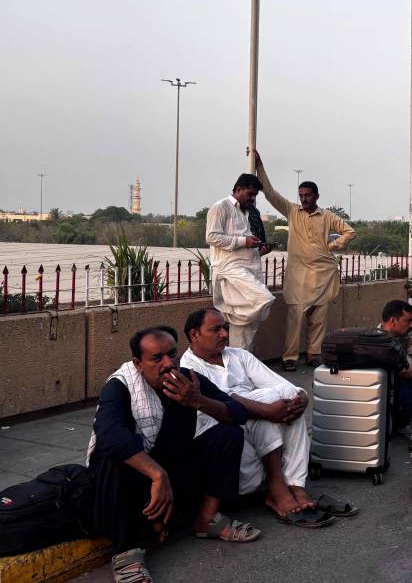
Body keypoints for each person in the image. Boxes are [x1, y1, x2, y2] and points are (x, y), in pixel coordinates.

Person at [87, 328, 259, 583]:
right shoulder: (119, 385)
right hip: (132, 476)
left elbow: (238, 412)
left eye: (172, 354)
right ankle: (125, 553)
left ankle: (207, 520)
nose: (168, 364)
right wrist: (157, 475)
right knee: (111, 454)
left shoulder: (188, 379)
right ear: (138, 363)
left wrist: (198, 400)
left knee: (228, 434)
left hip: (173, 466)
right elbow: (108, 433)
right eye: (157, 358)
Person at [179, 308, 347, 528]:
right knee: (268, 400)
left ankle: (296, 486)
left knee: (288, 402)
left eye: (225, 328)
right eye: (216, 330)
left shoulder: (239, 356)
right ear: (194, 335)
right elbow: (225, 400)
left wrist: (301, 398)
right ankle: (277, 488)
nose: (224, 334)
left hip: (257, 428)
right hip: (226, 431)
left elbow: (281, 384)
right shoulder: (188, 367)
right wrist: (266, 409)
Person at [255, 152, 357, 370]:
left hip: (322, 272)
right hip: (298, 274)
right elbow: (270, 194)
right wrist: (260, 168)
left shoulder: (327, 216)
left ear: (316, 196)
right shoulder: (292, 211)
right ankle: (290, 358)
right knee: (295, 318)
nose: (304, 198)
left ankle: (313, 354)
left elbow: (350, 232)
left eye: (308, 195)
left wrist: (332, 246)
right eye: (301, 195)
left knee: (319, 318)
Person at [205, 173, 275, 352]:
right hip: (230, 270)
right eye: (250, 194)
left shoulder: (246, 211)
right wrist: (244, 241)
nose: (252, 199)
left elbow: (245, 241)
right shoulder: (221, 207)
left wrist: (257, 249)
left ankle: (242, 366)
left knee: (248, 320)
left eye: (255, 195)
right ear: (237, 189)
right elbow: (212, 237)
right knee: (263, 299)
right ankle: (239, 363)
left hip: (249, 268)